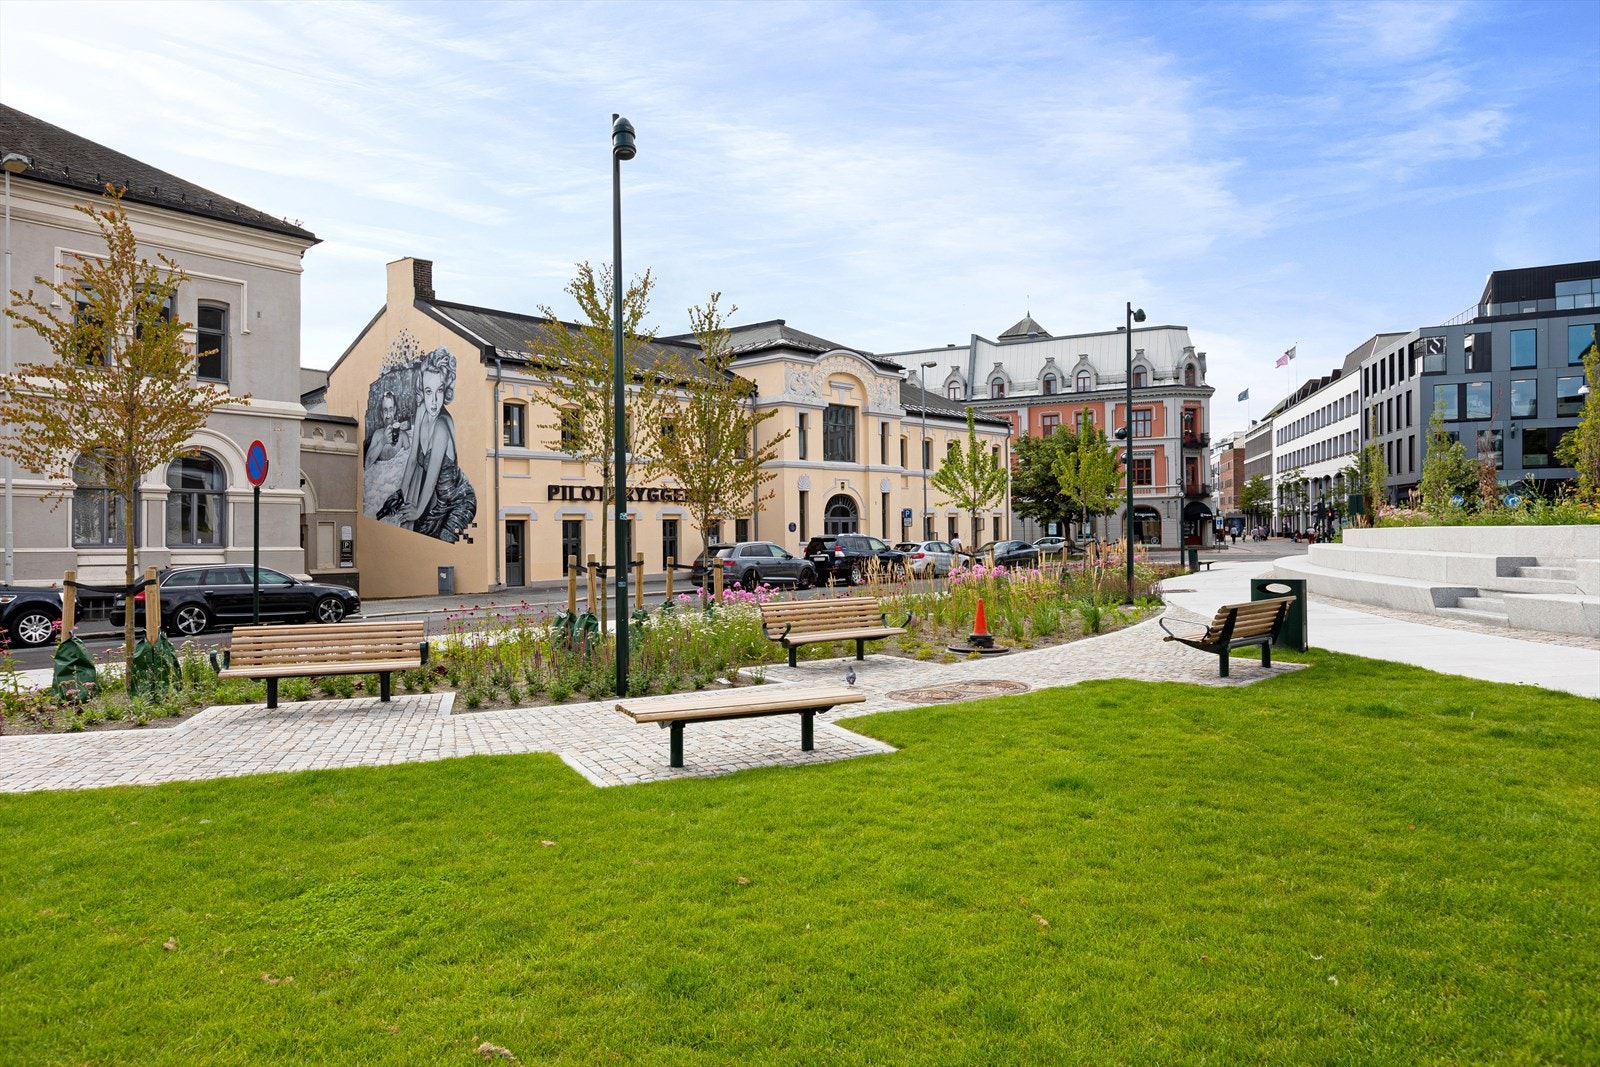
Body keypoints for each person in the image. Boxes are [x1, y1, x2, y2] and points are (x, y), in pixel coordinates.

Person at [384, 347, 477, 542]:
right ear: (422, 391)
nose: (433, 402)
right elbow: (412, 459)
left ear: (446, 390)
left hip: (458, 501)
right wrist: (400, 493)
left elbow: (432, 478)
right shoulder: (421, 411)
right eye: (428, 392)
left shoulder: (442, 425)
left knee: (441, 541)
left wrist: (418, 511)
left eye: (439, 391)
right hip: (438, 503)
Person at [364, 390, 410, 468]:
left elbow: (409, 465)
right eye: (385, 410)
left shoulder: (403, 436)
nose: (388, 415)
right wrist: (383, 441)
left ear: (395, 410)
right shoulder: (377, 435)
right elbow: (367, 464)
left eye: (391, 410)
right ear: (381, 413)